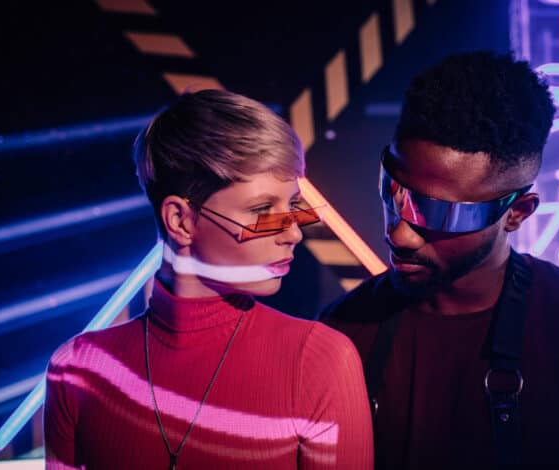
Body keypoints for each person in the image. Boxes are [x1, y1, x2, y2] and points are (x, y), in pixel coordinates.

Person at [319, 51, 559, 469]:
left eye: (441, 213)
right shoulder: (339, 334)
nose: (397, 231)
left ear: (517, 212)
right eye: (394, 190)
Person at [44, 89, 373, 469]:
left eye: (293, 205)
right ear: (181, 221)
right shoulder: (78, 370)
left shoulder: (320, 361)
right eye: (263, 209)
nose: (293, 232)